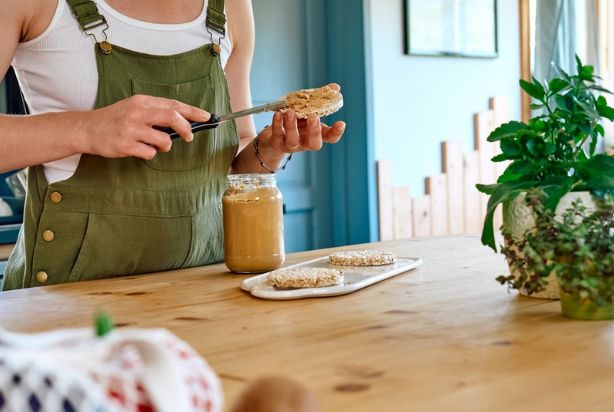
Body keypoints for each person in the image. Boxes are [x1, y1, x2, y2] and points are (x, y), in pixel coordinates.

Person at [0, 0, 346, 290]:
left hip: (206, 293)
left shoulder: (232, 6)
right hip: (69, 301)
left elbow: (234, 156)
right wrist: (88, 129)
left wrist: (269, 149)